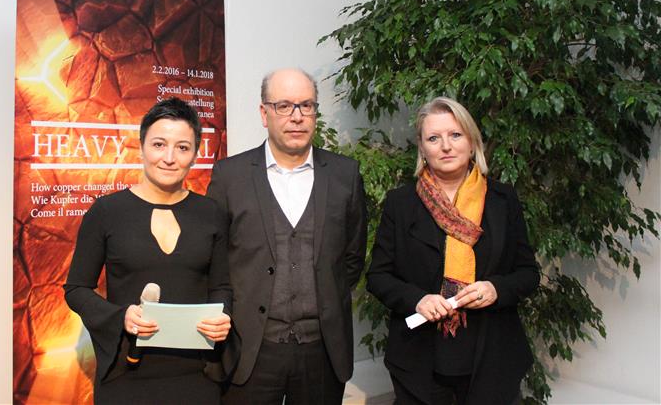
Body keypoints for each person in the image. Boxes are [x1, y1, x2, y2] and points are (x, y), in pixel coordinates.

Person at [206, 68, 368, 405]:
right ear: (264, 113)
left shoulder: (345, 174)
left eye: (306, 105)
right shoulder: (229, 176)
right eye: (284, 106)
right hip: (250, 350)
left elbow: (351, 258)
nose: (297, 117)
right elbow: (215, 260)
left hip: (322, 352)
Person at [366, 96, 539, 405]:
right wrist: (417, 299)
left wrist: (496, 288)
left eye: (455, 135)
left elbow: (528, 273)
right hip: (420, 359)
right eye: (434, 138)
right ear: (422, 148)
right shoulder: (400, 204)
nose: (445, 146)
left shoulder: (502, 200)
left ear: (471, 143)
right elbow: (378, 276)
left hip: (494, 355)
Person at [64, 97, 234, 404]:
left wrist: (222, 315)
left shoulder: (211, 213)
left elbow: (221, 285)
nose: (169, 158)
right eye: (159, 144)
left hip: (197, 375)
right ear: (141, 147)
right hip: (126, 374)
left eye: (182, 147)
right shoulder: (106, 212)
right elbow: (76, 289)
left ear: (195, 154)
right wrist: (121, 316)